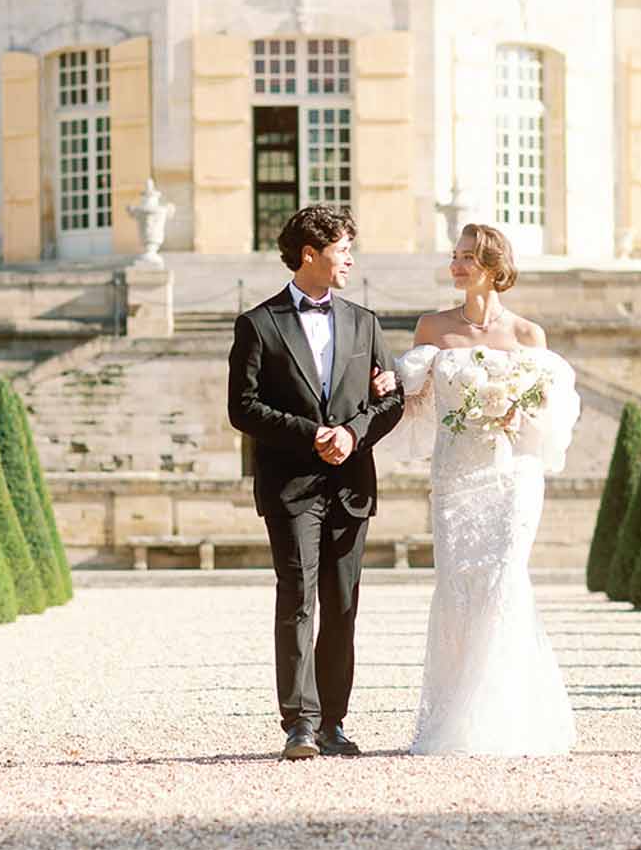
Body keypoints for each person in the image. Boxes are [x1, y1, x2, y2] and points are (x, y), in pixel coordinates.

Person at [388, 222, 582, 756]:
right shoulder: (431, 328)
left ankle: (507, 714)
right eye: (454, 256)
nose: (457, 266)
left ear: (495, 267)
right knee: (457, 585)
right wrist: (391, 386)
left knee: (503, 579)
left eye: (468, 257)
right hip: (455, 475)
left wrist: (520, 412)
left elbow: (547, 411)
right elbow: (413, 401)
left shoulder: (527, 336)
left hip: (512, 475)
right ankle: (455, 715)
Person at [227, 204, 405, 760]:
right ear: (311, 254)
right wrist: (313, 435)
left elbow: (392, 399)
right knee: (298, 598)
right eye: (342, 249)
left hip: (351, 484)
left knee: (342, 602)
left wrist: (353, 433)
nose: (350, 258)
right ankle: (299, 724)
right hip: (291, 485)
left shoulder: (365, 323)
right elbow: (242, 408)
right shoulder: (258, 324)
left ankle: (334, 723)